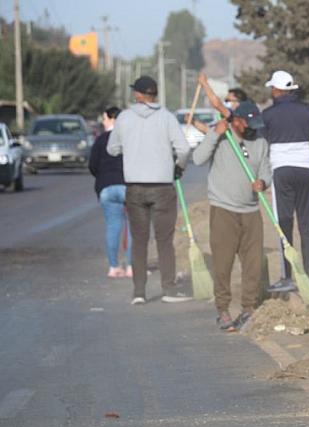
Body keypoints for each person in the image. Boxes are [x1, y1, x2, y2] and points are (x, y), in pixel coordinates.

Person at [107, 76, 191, 305]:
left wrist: (131, 148)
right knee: (164, 241)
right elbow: (183, 149)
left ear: (138, 95)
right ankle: (169, 290)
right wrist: (177, 168)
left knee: (140, 240)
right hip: (163, 187)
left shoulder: (124, 118)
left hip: (135, 188)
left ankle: (139, 293)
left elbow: (112, 149)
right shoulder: (167, 118)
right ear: (154, 95)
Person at [192, 101, 270, 332]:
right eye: (248, 123)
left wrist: (263, 182)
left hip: (251, 212)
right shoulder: (222, 138)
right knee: (223, 264)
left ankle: (248, 308)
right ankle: (223, 310)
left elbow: (266, 168)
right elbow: (198, 158)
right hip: (223, 210)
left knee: (253, 264)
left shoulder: (260, 142)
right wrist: (215, 134)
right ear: (236, 119)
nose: (252, 128)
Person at [260, 70, 309, 293]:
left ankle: (288, 276)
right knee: (306, 225)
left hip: (281, 170)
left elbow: (262, 146)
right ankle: (307, 276)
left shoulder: (268, 114)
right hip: (305, 170)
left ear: (278, 90)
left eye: (272, 88)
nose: (271, 91)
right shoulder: (307, 110)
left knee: (284, 223)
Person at [89, 106, 131, 279]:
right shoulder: (128, 139)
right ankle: (131, 267)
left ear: (111, 119)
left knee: (113, 227)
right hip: (127, 186)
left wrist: (104, 177)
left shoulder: (100, 140)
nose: (103, 122)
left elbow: (92, 166)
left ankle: (113, 267)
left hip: (105, 188)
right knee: (133, 228)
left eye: (104, 119)